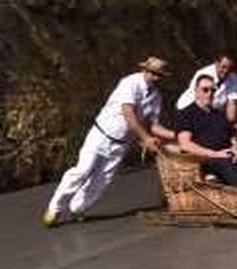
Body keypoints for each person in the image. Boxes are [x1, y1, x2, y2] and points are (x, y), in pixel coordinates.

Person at [43, 57, 178, 227]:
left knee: (101, 181)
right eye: (154, 73)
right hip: (101, 135)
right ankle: (54, 208)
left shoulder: (156, 97)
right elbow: (128, 113)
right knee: (82, 171)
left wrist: (175, 135)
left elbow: (152, 125)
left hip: (120, 145)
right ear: (145, 70)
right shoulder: (130, 83)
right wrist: (145, 138)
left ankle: (77, 209)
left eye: (160, 75)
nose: (156, 77)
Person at [175, 51, 237, 137]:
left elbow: (231, 103)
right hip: (189, 109)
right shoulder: (204, 74)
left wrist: (232, 124)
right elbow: (200, 101)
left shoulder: (234, 78)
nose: (226, 71)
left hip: (210, 111)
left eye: (230, 68)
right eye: (223, 67)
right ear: (216, 63)